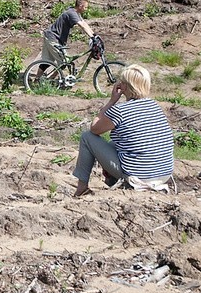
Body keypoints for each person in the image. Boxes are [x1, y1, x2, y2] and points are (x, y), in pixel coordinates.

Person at [72, 64, 174, 197]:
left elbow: (95, 128)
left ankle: (82, 188)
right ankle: (112, 180)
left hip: (139, 175)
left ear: (124, 86)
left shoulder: (120, 111)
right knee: (114, 144)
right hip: (164, 173)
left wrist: (111, 101)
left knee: (87, 137)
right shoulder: (155, 106)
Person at [42, 0, 95, 68]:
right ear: (80, 6)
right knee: (64, 62)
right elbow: (82, 26)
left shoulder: (75, 13)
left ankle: (37, 78)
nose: (86, 9)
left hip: (51, 37)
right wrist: (92, 38)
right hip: (53, 38)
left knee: (47, 61)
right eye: (85, 7)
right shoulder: (72, 13)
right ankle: (54, 78)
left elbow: (84, 23)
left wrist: (94, 35)